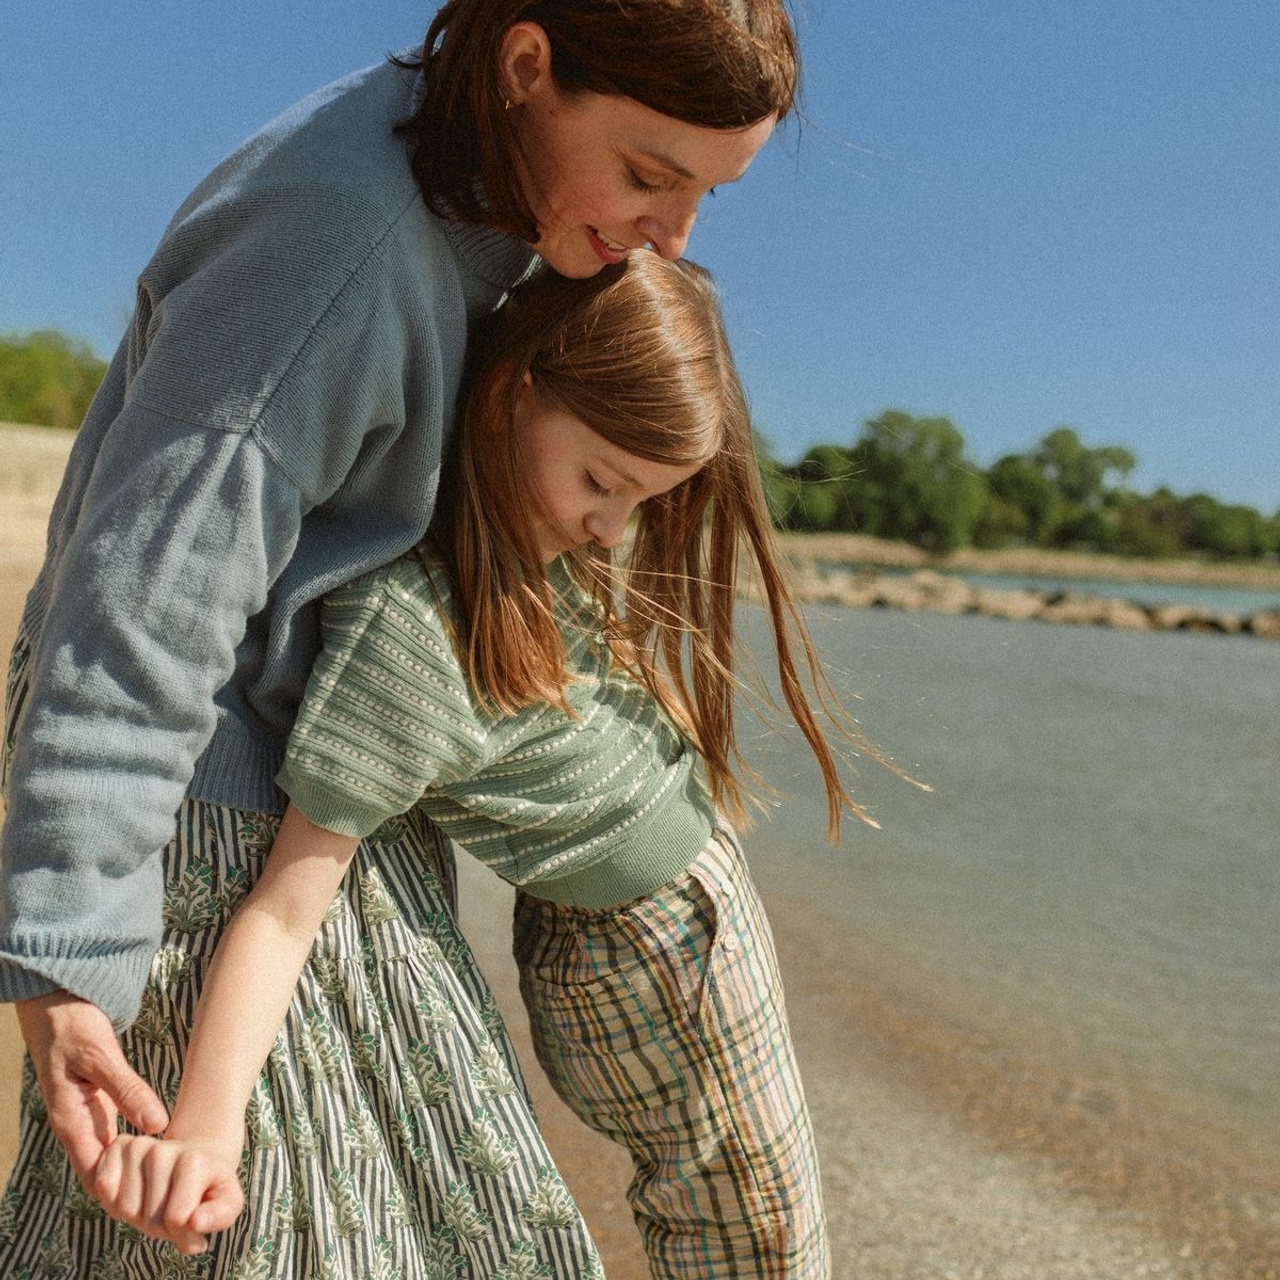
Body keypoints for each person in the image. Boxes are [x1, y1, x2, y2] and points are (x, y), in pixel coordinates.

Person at [0, 0, 798, 1263]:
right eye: (651, 174)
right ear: (527, 63)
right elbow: (140, 600)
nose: (672, 234)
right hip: (198, 809)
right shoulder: (337, 240)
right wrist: (72, 946)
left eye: (706, 192)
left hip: (291, 773)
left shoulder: (484, 171)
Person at [85, 252, 888, 1278]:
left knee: (745, 1219)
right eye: (602, 481)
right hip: (643, 948)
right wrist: (206, 1128)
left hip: (668, 918)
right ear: (510, 390)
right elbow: (287, 903)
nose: (611, 525)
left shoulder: (531, 541)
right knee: (754, 1233)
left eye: (640, 498)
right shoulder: (412, 633)